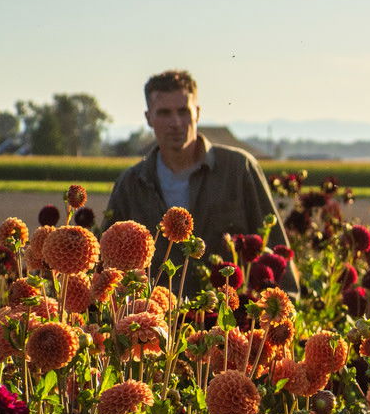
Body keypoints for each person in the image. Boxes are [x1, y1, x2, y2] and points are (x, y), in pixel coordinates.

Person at [104, 69, 294, 282]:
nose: (175, 123)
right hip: (155, 311)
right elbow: (108, 263)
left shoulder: (238, 169)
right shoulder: (131, 184)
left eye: (184, 111)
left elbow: (277, 252)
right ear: (148, 118)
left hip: (226, 310)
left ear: (198, 113)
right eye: (164, 113)